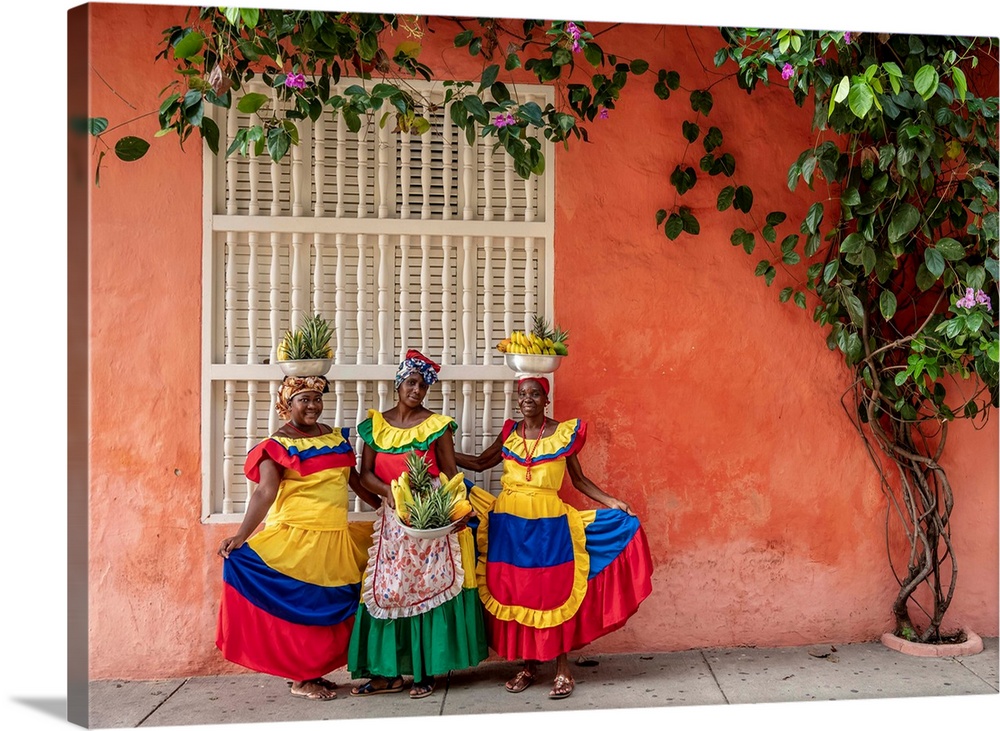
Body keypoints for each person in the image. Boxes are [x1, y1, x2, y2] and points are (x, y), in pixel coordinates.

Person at [455, 375, 654, 700]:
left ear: (545, 400)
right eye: (522, 394)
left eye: (535, 394)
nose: (528, 399)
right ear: (517, 400)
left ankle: (562, 668)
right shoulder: (509, 433)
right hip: (509, 528)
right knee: (519, 594)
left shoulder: (563, 434)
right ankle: (529, 666)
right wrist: (441, 453)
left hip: (549, 528)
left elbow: (578, 480)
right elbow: (479, 463)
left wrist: (611, 502)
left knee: (553, 593)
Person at [216, 375, 379, 700]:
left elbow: (356, 482)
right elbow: (265, 491)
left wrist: (387, 508)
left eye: (316, 399)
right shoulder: (276, 445)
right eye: (304, 399)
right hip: (296, 540)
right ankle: (301, 679)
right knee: (301, 608)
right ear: (287, 404)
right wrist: (241, 535)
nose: (312, 406)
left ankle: (313, 673)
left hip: (334, 540)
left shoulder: (335, 439)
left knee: (328, 608)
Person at [347, 349, 488, 699]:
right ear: (398, 383)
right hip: (394, 521)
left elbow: (450, 473)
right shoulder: (374, 426)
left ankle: (426, 672)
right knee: (389, 588)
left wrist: (458, 512)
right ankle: (388, 673)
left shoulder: (437, 426)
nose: (417, 390)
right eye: (411, 382)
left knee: (428, 588)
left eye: (423, 386)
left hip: (432, 517)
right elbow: (365, 473)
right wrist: (389, 493)